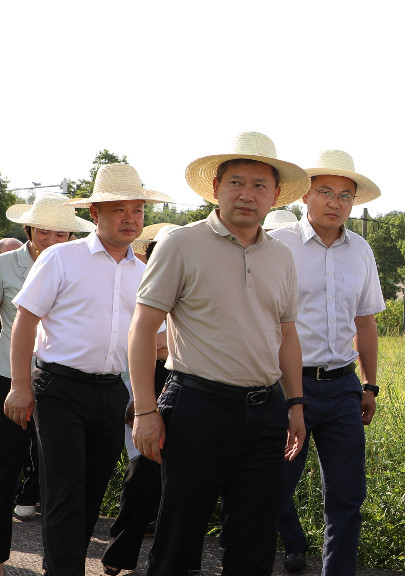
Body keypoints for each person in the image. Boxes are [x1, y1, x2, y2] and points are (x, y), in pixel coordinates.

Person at [129, 131, 309, 576]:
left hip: (265, 411)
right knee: (178, 536)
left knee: (254, 541)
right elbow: (143, 328)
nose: (247, 194)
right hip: (197, 407)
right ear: (216, 188)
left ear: (275, 195)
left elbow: (287, 334)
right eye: (236, 183)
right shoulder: (181, 244)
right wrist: (146, 411)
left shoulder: (282, 256)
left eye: (259, 185)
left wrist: (295, 404)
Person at [3, 165, 172, 576]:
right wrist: (20, 386)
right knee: (64, 489)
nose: (130, 218)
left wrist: (145, 399)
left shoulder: (144, 272)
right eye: (119, 210)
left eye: (137, 210)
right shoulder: (62, 257)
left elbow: (155, 341)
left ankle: (65, 565)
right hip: (58, 387)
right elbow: (25, 320)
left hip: (112, 392)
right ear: (95, 213)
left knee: (91, 491)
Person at [269, 149, 385, 575]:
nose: (335, 203)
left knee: (347, 497)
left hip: (342, 388)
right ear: (305, 195)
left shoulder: (361, 250)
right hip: (286, 386)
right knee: (271, 491)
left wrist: (369, 385)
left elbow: (365, 322)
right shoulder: (278, 244)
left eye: (345, 195)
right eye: (325, 192)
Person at [0, 193, 93, 575]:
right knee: (4, 470)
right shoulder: (5, 265)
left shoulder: (81, 265)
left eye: (61, 233)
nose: (52, 240)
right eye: (44, 231)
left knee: (62, 482)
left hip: (60, 384)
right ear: (28, 229)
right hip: (9, 380)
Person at [102, 223, 183, 576]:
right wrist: (141, 396)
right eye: (158, 251)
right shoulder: (137, 282)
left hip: (188, 379)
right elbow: (140, 341)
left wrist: (165, 345)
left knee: (186, 478)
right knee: (144, 468)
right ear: (149, 254)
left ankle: (185, 560)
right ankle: (120, 551)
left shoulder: (197, 280)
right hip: (145, 378)